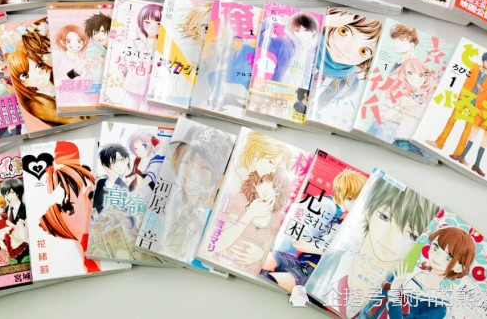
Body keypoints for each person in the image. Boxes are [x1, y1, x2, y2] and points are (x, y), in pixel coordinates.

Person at [305, 176, 439, 318]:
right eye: (385, 217)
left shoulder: (405, 299)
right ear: (369, 210)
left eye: (412, 235)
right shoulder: (331, 260)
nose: (390, 239)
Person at [261, 169, 367, 292]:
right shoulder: (329, 207)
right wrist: (331, 250)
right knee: (267, 273)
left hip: (296, 259)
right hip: (289, 252)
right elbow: (299, 242)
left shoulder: (332, 209)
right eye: (358, 198)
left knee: (268, 276)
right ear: (349, 196)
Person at [211, 132, 291, 275]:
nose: (272, 170)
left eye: (276, 167)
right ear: (257, 152)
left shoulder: (273, 209)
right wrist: (250, 214)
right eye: (271, 162)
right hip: (221, 259)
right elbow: (216, 241)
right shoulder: (236, 183)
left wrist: (261, 254)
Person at [361, 226, 476, 318]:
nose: (437, 255)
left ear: (459, 268)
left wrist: (394, 293)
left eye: (449, 257)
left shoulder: (440, 306)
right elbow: (376, 304)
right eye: (436, 247)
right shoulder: (411, 275)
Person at [157, 125, 234, 260]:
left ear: (218, 178)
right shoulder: (171, 203)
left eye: (203, 168)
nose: (190, 174)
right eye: (186, 162)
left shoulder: (210, 221)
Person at [39, 141, 100, 272]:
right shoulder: (84, 170)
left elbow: (50, 189)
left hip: (73, 213)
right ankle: (93, 267)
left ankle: (90, 267)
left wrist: (49, 171)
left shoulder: (61, 172)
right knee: (88, 241)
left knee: (81, 243)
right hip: (85, 210)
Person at [426, 51, 487, 157]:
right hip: (465, 98)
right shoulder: (474, 67)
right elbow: (466, 83)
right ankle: (439, 142)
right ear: (483, 60)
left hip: (476, 104)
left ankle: (458, 153)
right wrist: (460, 97)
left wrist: (481, 89)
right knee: (451, 120)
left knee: (467, 129)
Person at [310, 8, 382, 112]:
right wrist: (320, 21)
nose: (347, 51)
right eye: (344, 31)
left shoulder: (354, 81)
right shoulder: (308, 39)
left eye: (363, 51)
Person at [451, 77, 487, 177]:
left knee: (484, 142)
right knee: (472, 136)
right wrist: (482, 109)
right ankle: (462, 156)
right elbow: (479, 100)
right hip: (481, 116)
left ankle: (476, 165)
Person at [120, 3, 162, 109]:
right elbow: (126, 64)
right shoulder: (134, 43)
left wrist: (143, 39)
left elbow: (153, 50)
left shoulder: (163, 47)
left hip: (153, 91)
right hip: (134, 87)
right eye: (147, 22)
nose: (153, 27)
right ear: (141, 22)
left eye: (158, 23)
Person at [92, 144, 132, 215]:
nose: (117, 166)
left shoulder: (134, 182)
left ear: (127, 160)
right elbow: (94, 209)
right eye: (112, 163)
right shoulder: (102, 183)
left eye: (119, 160)